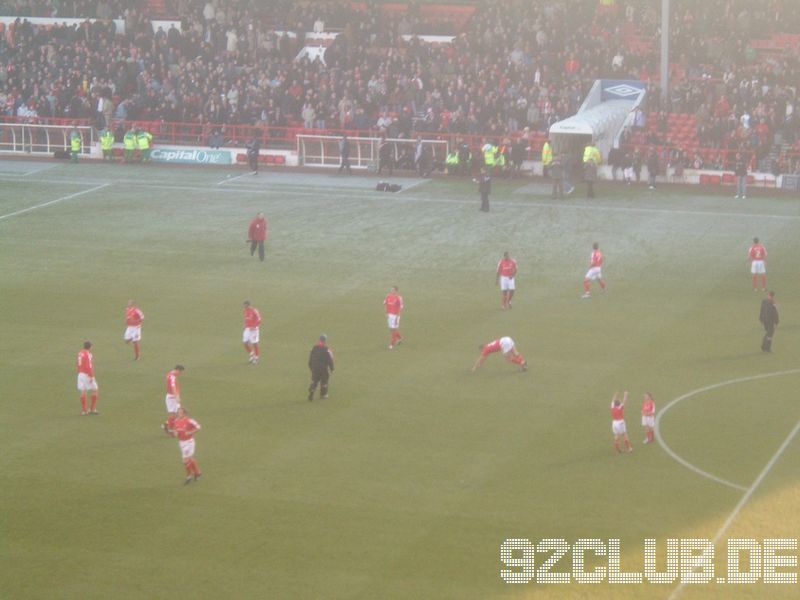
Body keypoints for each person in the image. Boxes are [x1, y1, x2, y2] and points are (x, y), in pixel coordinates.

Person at [172, 407, 202, 485]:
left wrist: (191, 432)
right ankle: (197, 472)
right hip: (181, 443)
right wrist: (175, 433)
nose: (179, 413)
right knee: (189, 459)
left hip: (189, 442)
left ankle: (189, 475)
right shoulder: (176, 421)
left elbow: (198, 427)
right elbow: (175, 431)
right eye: (178, 412)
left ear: (184, 413)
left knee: (186, 460)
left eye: (180, 412)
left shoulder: (189, 420)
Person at [308, 334, 334, 401]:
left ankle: (312, 389)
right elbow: (330, 360)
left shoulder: (314, 347)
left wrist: (311, 366)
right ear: (325, 340)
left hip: (315, 367)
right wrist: (332, 368)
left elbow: (311, 358)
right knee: (324, 380)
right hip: (323, 368)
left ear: (319, 339)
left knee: (314, 380)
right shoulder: (327, 349)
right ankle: (323, 395)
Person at [76, 340, 98, 415]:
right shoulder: (88, 354)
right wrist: (91, 376)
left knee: (83, 391)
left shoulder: (80, 353)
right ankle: (91, 409)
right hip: (87, 374)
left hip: (80, 374)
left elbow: (78, 364)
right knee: (95, 389)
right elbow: (88, 366)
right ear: (90, 347)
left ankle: (84, 410)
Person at [162, 365, 185, 434]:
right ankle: (171, 430)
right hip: (172, 397)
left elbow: (166, 382)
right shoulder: (172, 377)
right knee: (174, 414)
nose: (180, 374)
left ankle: (166, 425)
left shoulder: (169, 374)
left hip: (171, 396)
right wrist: (176, 397)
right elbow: (173, 387)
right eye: (180, 372)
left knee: (177, 413)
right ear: (177, 370)